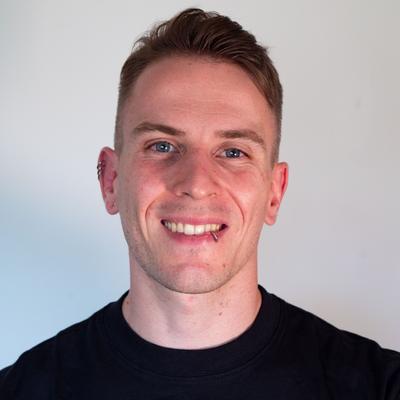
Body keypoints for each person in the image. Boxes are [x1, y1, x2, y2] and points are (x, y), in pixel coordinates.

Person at [1, 8, 399, 399]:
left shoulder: (380, 386)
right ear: (111, 180)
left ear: (275, 192)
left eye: (233, 152)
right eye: (162, 146)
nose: (196, 183)